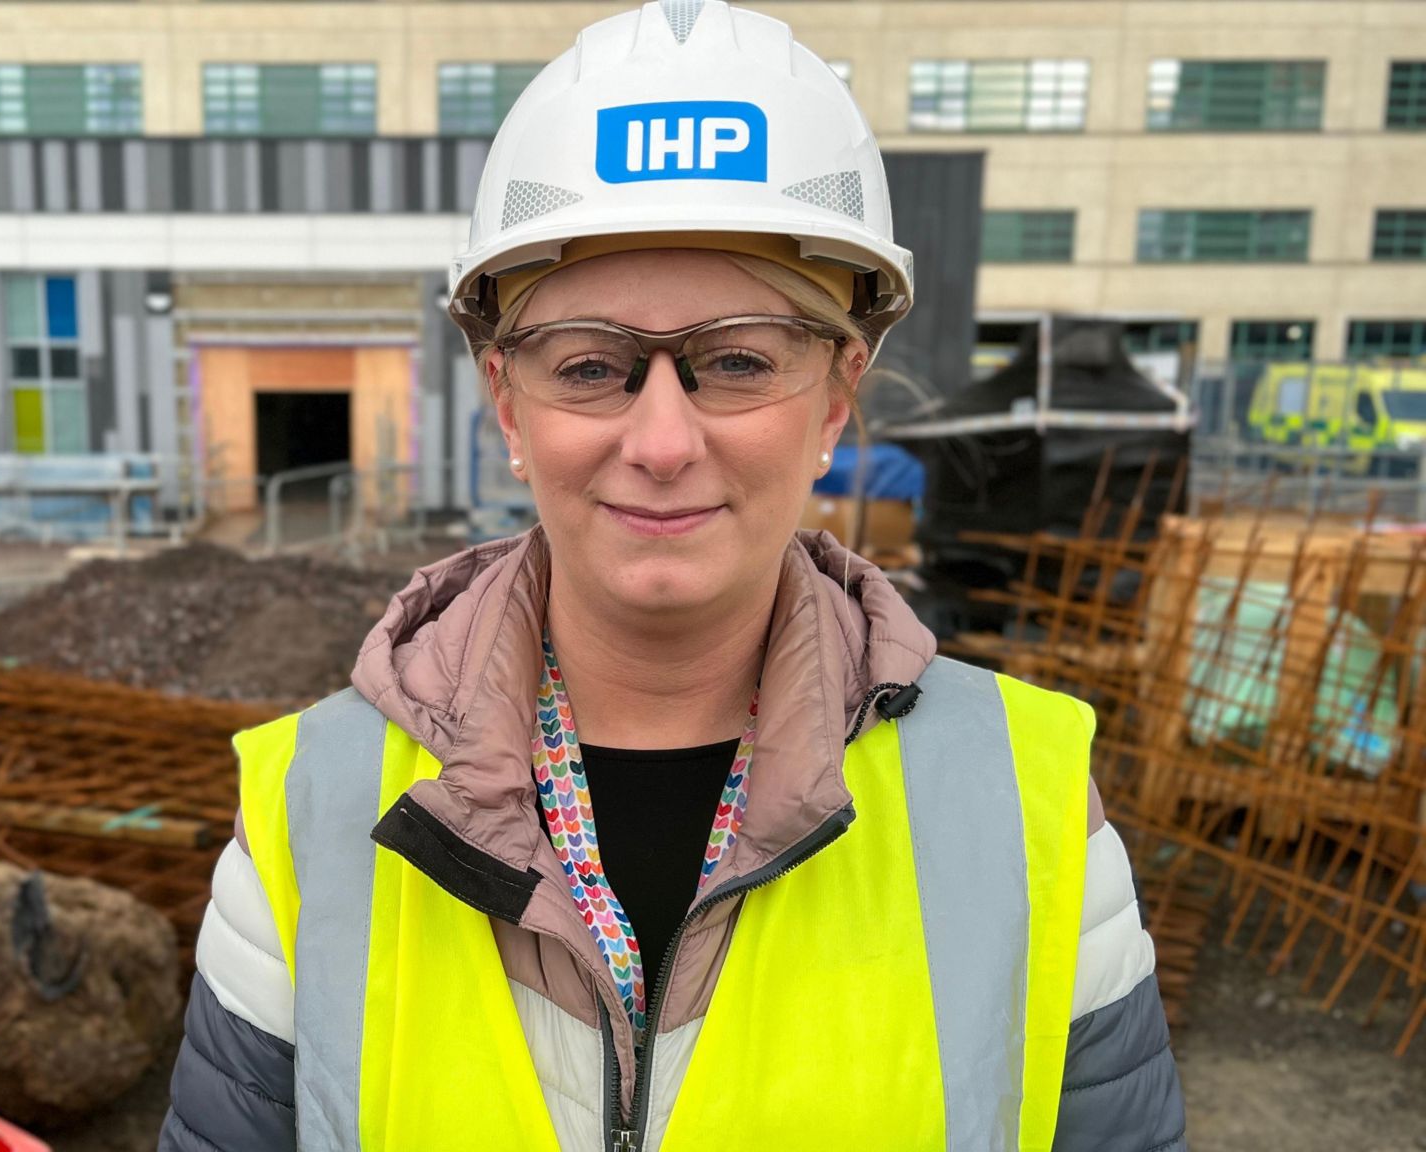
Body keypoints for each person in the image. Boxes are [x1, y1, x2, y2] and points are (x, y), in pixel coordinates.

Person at [161, 2, 1185, 1148]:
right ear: (506, 401)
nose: (658, 442)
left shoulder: (1022, 804)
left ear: (837, 395)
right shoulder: (310, 809)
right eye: (590, 365)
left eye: (738, 360)